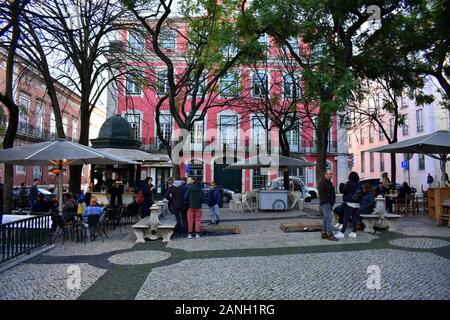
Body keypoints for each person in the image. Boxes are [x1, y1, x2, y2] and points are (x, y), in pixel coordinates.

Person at [336, 171, 362, 239]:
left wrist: (341, 184)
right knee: (354, 218)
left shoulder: (349, 184)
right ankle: (354, 233)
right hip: (357, 204)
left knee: (346, 218)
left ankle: (342, 233)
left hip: (350, 203)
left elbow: (342, 191)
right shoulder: (359, 184)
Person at [318, 170, 338, 241]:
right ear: (325, 174)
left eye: (331, 174)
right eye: (330, 174)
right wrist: (327, 202)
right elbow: (322, 194)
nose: (331, 175)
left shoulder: (329, 182)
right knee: (329, 219)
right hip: (326, 203)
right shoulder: (322, 182)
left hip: (329, 203)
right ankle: (330, 234)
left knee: (326, 219)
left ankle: (324, 233)